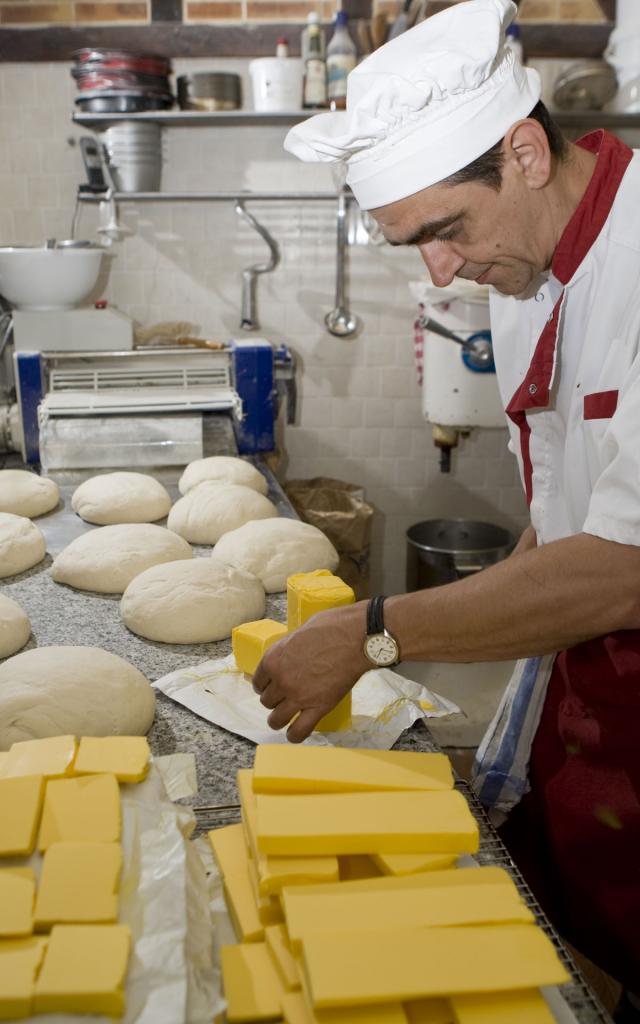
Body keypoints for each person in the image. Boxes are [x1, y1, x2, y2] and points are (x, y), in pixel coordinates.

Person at [253, 0, 640, 1011]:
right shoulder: (521, 277)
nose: (440, 270)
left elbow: (624, 563)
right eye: (411, 244)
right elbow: (562, 511)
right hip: (590, 696)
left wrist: (373, 630)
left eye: (446, 229)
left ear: (522, 151)